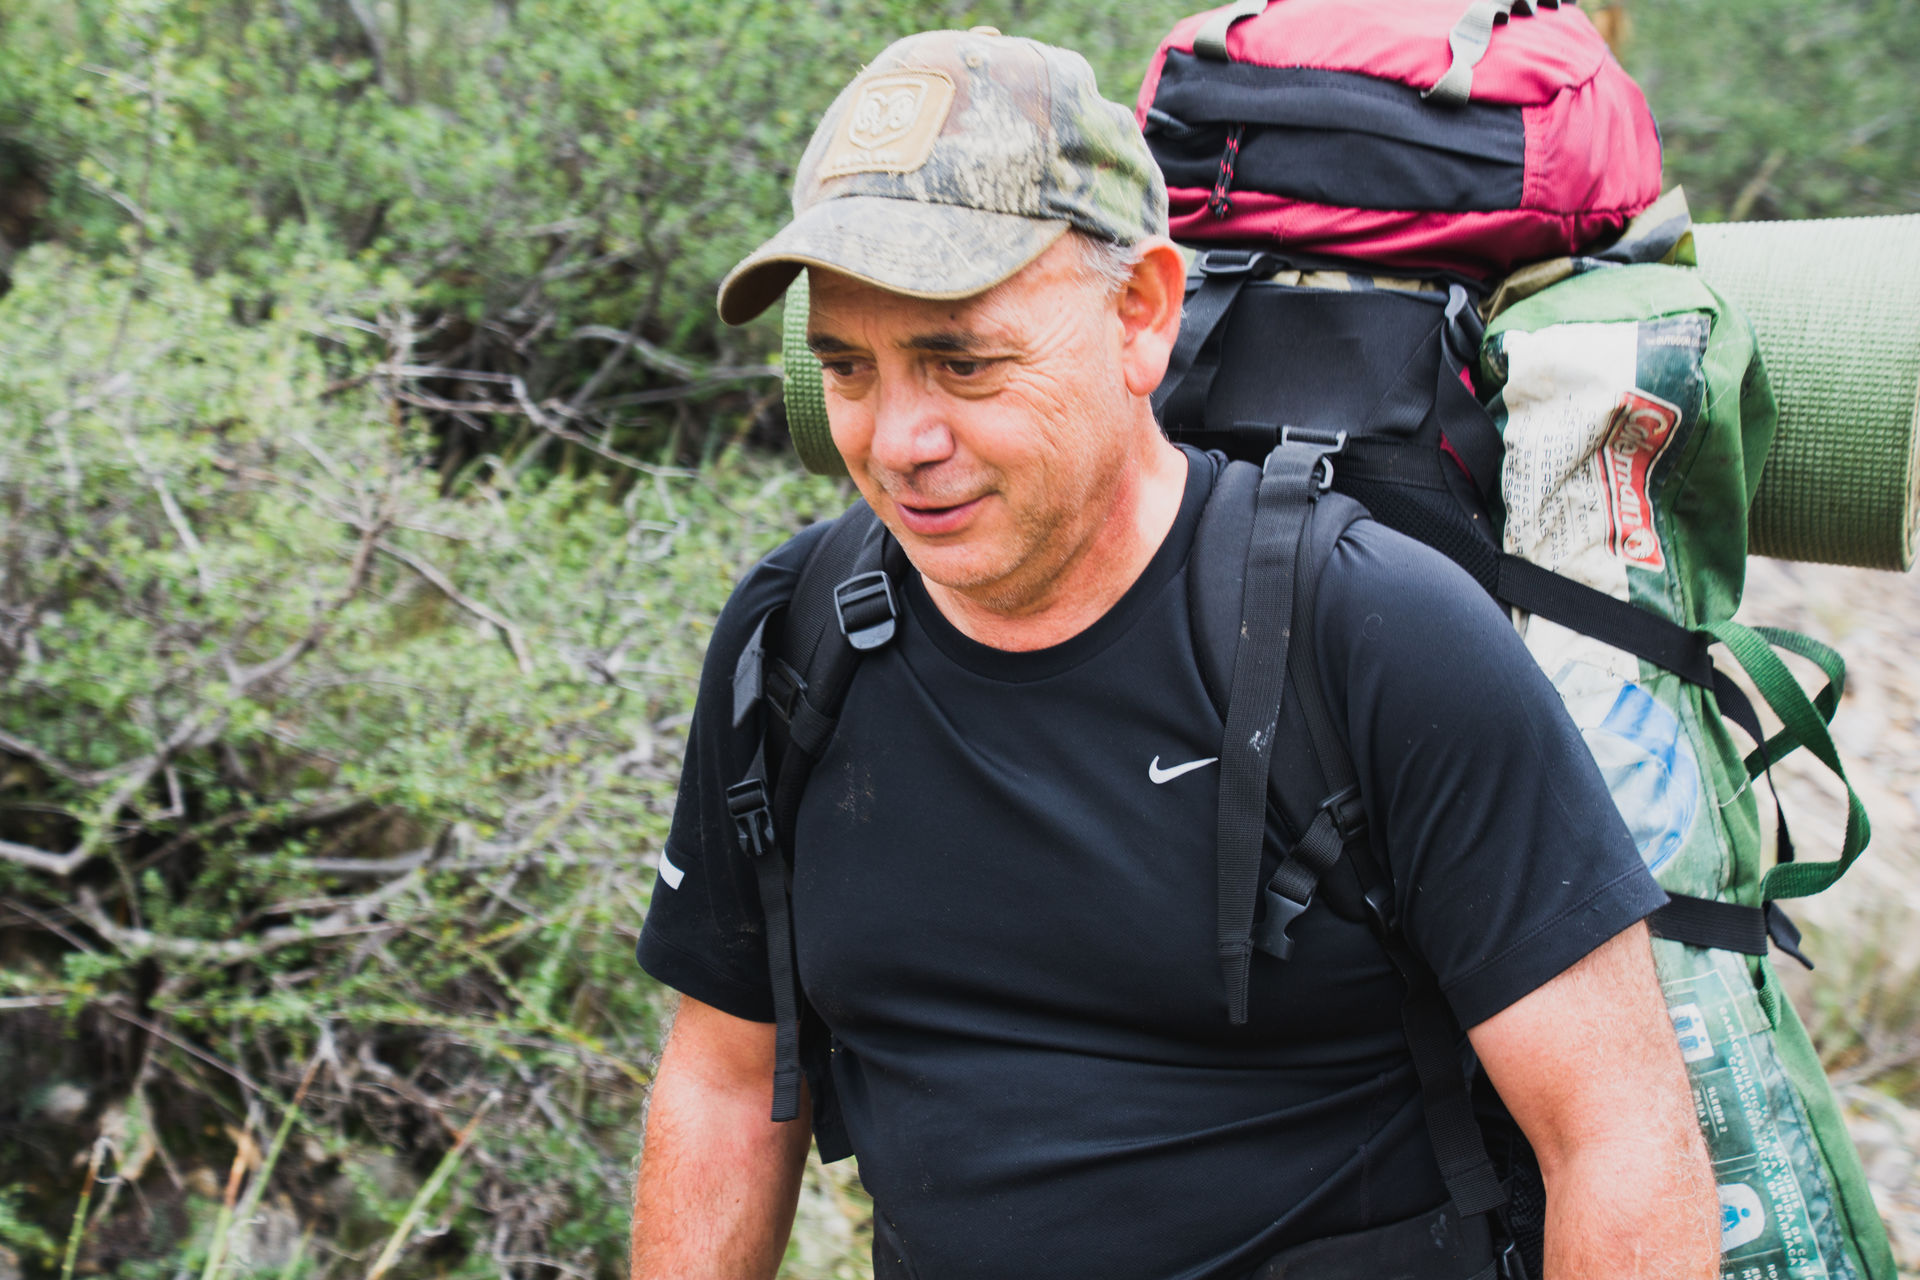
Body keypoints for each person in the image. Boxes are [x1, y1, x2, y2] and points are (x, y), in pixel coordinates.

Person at [630, 26, 1718, 1280]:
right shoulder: (798, 637)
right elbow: (721, 1087)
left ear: (1141, 313)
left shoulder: (1375, 634)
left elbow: (1618, 1134)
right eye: (847, 370)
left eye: (960, 361)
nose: (899, 439)